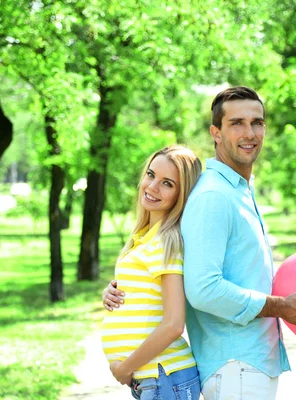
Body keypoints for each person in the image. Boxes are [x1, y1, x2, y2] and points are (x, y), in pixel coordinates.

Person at [104, 87, 296, 400]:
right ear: (216, 132)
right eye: (237, 123)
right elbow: (203, 289)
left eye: (257, 122)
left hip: (247, 365)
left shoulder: (239, 190)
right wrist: (283, 308)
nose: (249, 132)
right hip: (235, 367)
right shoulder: (214, 196)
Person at [101, 145, 202, 400]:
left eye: (167, 183)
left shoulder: (166, 242)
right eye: (150, 174)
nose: (152, 186)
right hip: (155, 379)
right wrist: (111, 294)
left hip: (165, 376)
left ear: (181, 194)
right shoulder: (144, 237)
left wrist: (125, 367)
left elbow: (173, 324)